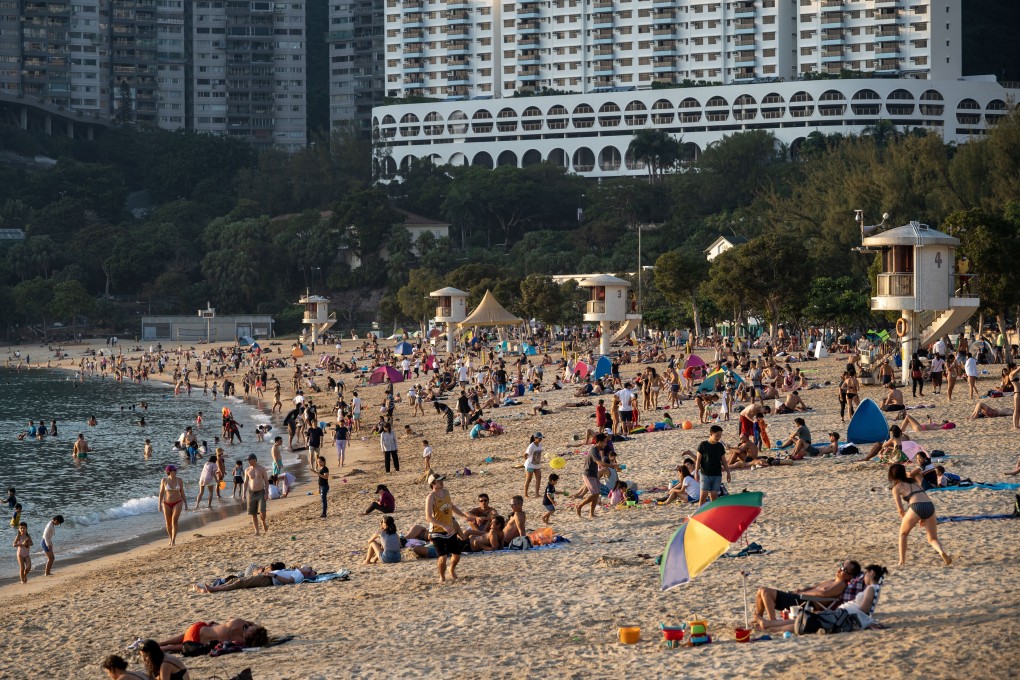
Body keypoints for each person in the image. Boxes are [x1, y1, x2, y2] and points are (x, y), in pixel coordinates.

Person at [758, 564, 888, 633]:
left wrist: (867, 621)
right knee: (805, 620)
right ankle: (769, 624)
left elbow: (864, 610)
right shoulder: (873, 589)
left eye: (865, 573)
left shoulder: (870, 588)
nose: (864, 577)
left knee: (806, 621)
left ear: (871, 573)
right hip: (841, 614)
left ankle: (770, 625)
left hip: (843, 615)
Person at [754, 560, 862, 624]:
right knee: (761, 591)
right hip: (801, 598)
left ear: (849, 576)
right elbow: (813, 587)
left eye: (844, 569)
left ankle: (772, 622)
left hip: (806, 603)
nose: (840, 569)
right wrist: (801, 590)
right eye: (841, 565)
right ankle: (759, 618)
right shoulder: (832, 581)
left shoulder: (840, 585)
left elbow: (823, 594)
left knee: (765, 592)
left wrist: (802, 594)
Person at [889, 463, 952, 566]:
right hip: (929, 505)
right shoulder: (913, 482)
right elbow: (923, 495)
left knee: (903, 534)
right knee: (933, 539)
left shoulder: (896, 488)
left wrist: (906, 520)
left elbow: (900, 509)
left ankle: (901, 562)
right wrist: (921, 516)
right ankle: (941, 551)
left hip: (916, 507)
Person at [425, 473, 470, 582]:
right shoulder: (431, 497)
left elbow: (452, 506)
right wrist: (443, 526)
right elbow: (428, 517)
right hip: (436, 532)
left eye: (442, 480)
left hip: (449, 530)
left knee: (457, 555)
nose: (442, 482)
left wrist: (464, 516)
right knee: (443, 557)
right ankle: (442, 576)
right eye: (439, 481)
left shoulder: (446, 492)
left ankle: (451, 569)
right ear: (433, 484)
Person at [155, 619, 268, 651]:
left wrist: (251, 624)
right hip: (196, 643)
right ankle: (164, 647)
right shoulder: (242, 642)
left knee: (188, 634)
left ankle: (161, 643)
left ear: (252, 630)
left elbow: (229, 620)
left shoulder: (238, 622)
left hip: (197, 629)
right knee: (178, 646)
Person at [193, 565, 317, 593]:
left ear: (307, 573)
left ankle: (215, 590)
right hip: (267, 577)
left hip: (268, 580)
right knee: (235, 580)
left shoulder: (299, 576)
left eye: (309, 569)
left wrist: (272, 575)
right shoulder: (297, 571)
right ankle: (213, 588)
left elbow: (288, 582)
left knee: (241, 582)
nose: (307, 566)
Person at [695, 425, 730, 504]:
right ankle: (699, 514)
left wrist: (728, 472)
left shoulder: (720, 446)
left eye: (720, 436)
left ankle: (713, 514)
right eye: (717, 436)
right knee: (703, 497)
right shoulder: (703, 445)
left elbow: (724, 461)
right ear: (711, 433)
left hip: (717, 474)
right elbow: (698, 460)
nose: (718, 438)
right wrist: (696, 472)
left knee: (714, 497)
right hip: (705, 474)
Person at [577, 433, 609, 518]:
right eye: (605, 442)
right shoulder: (594, 450)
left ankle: (591, 513)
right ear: (599, 442)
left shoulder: (598, 449)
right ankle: (580, 505)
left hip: (593, 474)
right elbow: (599, 463)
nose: (606, 444)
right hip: (588, 475)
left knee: (596, 494)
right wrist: (612, 466)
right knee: (595, 494)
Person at [158, 466, 187, 546]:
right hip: (166, 503)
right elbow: (161, 493)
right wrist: (159, 504)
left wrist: (185, 503)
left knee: (174, 520)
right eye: (174, 470)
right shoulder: (164, 480)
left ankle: (173, 540)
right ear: (169, 471)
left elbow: (182, 492)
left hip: (177, 502)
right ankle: (170, 538)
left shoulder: (179, 480)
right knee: (168, 522)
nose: (176, 471)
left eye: (176, 470)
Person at [244, 453, 270, 536]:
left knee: (263, 511)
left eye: (249, 460)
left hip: (261, 492)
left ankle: (263, 522)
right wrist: (243, 493)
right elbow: (245, 483)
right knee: (253, 513)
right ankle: (257, 531)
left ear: (254, 460)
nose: (248, 462)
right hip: (251, 493)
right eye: (248, 460)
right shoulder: (247, 470)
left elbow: (266, 481)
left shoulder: (261, 469)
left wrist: (266, 492)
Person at [523, 432, 544, 498]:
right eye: (539, 438)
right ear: (535, 438)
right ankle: (526, 494)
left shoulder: (540, 444)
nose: (541, 439)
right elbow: (525, 455)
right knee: (529, 479)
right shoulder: (531, 446)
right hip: (530, 465)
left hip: (537, 464)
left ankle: (537, 493)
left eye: (541, 438)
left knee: (539, 478)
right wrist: (526, 461)